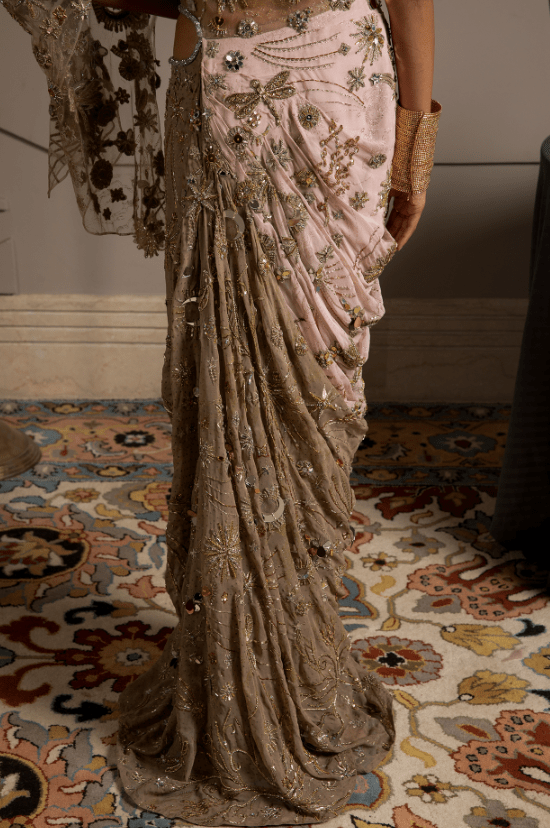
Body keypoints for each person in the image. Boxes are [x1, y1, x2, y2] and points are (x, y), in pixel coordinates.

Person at [1, 0, 440, 822]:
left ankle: (285, 666)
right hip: (265, 93)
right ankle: (257, 678)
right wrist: (416, 147)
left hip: (285, 95)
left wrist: (413, 149)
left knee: (303, 402)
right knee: (244, 395)